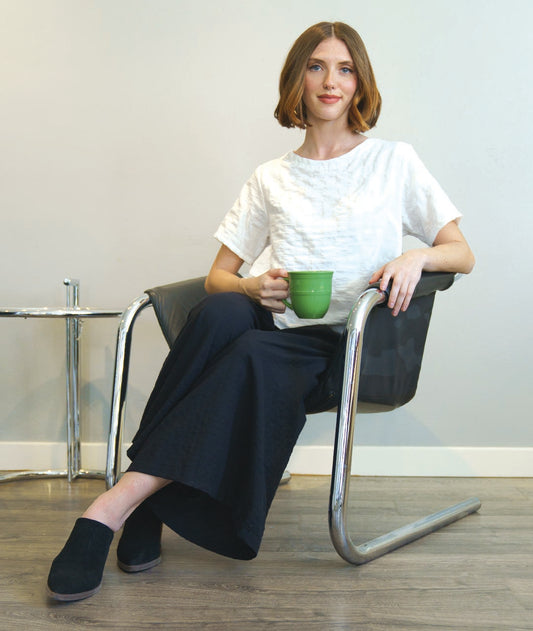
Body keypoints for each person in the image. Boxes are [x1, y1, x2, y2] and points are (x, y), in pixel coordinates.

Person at [46, 21, 474, 601]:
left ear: (360, 82)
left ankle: (118, 505)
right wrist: (250, 290)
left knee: (246, 346)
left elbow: (463, 253)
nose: (331, 81)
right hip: (277, 326)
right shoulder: (271, 177)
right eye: (316, 66)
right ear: (296, 80)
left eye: (345, 69)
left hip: (352, 341)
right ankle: (148, 501)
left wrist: (419, 256)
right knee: (220, 314)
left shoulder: (394, 162)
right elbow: (219, 276)